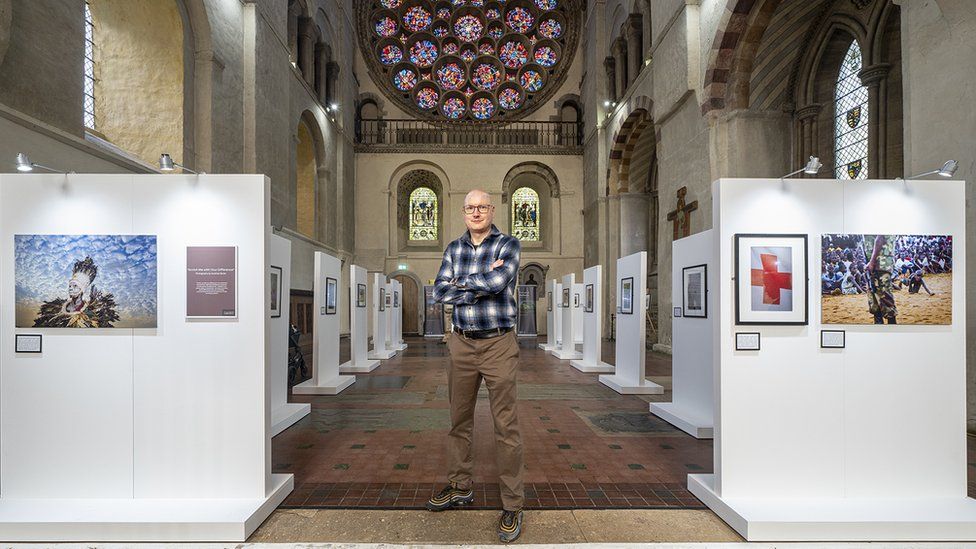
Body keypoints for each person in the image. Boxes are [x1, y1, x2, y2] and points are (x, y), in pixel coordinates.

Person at [428, 189, 524, 543]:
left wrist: (462, 284)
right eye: (470, 208)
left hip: (499, 342)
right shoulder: (454, 248)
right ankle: (459, 486)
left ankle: (513, 503)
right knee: (459, 420)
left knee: (506, 425)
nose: (476, 212)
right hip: (462, 343)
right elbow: (439, 290)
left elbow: (501, 282)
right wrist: (481, 281)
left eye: (482, 207)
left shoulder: (508, 244)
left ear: (491, 210)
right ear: (463, 212)